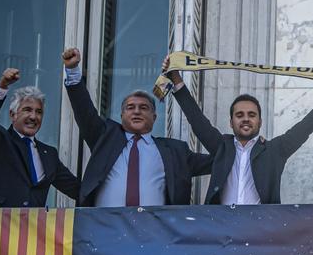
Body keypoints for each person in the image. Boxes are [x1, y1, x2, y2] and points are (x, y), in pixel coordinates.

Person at [163, 57, 313, 205]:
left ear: (260, 122)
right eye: (239, 115)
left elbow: (307, 125)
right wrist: (176, 80)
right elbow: (197, 120)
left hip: (261, 230)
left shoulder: (275, 151)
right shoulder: (222, 147)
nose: (245, 118)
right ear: (231, 122)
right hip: (220, 227)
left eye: (251, 115)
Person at [63, 48, 212, 207]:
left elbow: (221, 160)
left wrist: (177, 81)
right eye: (130, 107)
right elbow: (84, 110)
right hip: (105, 228)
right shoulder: (105, 138)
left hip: (154, 229)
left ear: (154, 117)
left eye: (144, 107)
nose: (136, 111)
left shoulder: (176, 152)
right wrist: (72, 70)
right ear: (121, 116)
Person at [0, 68, 80, 208]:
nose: (33, 117)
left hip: (31, 228)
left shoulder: (49, 155)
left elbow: (76, 189)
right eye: (27, 110)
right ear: (13, 115)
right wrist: (3, 85)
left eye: (39, 112)